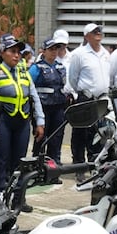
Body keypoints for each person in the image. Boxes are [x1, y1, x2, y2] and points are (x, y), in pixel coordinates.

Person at [0, 34, 44, 191]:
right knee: (1, 160)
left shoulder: (24, 73)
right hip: (3, 122)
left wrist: (40, 121)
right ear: (2, 52)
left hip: (22, 122)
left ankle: (18, 197)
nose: (17, 55)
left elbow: (34, 97)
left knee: (20, 161)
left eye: (19, 52)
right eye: (12, 51)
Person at [63, 23, 111, 168]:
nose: (98, 33)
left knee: (99, 133)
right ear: (87, 36)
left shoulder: (106, 54)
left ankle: (94, 163)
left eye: (99, 31)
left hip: (103, 99)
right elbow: (73, 78)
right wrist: (82, 92)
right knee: (81, 133)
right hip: (86, 97)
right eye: (94, 31)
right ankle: (78, 164)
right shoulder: (79, 54)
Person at [30, 34, 69, 166]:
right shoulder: (36, 68)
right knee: (41, 137)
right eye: (51, 49)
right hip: (43, 108)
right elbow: (29, 86)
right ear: (44, 51)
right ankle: (37, 165)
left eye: (56, 49)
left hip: (58, 107)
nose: (54, 52)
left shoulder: (60, 67)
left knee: (56, 137)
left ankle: (54, 166)